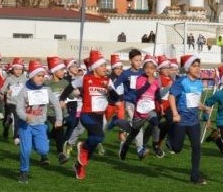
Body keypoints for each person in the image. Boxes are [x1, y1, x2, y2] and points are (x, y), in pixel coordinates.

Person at [12, 59, 62, 183]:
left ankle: (38, 148)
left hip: (40, 125)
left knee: (43, 150)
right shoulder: (24, 91)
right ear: (32, 76)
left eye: (42, 76)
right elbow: (18, 109)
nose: (41, 78)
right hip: (26, 125)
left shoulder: (46, 90)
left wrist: (59, 119)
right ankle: (24, 171)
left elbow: (56, 104)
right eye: (38, 76)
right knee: (26, 150)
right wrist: (25, 116)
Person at [111, 54, 162, 160]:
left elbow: (157, 94)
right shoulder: (140, 79)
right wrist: (148, 83)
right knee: (135, 132)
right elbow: (139, 91)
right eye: (147, 68)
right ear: (143, 69)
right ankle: (125, 146)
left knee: (156, 123)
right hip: (139, 110)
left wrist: (160, 104)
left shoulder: (156, 81)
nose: (149, 70)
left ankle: (155, 145)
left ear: (155, 69)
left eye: (152, 68)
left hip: (149, 109)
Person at [168, 54, 208, 185]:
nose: (197, 69)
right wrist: (175, 114)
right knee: (177, 148)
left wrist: (203, 107)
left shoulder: (199, 83)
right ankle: (168, 134)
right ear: (187, 68)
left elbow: (195, 101)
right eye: (194, 66)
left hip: (194, 121)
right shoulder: (181, 82)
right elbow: (172, 96)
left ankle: (194, 176)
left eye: (198, 66)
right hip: (181, 119)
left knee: (197, 147)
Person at [71, 50, 110, 180]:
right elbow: (71, 85)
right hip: (86, 114)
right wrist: (62, 99)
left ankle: (79, 166)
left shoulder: (107, 81)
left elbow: (116, 98)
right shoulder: (86, 78)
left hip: (99, 115)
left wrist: (110, 90)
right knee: (99, 137)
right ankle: (82, 146)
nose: (105, 68)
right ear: (94, 68)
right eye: (102, 65)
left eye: (105, 65)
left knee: (93, 144)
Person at [0, 58, 27, 141]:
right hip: (10, 102)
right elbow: (2, 89)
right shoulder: (9, 79)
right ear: (12, 69)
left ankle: (16, 136)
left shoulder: (25, 79)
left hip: (21, 103)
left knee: (17, 118)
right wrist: (7, 91)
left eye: (20, 69)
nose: (18, 71)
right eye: (16, 69)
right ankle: (6, 129)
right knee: (9, 120)